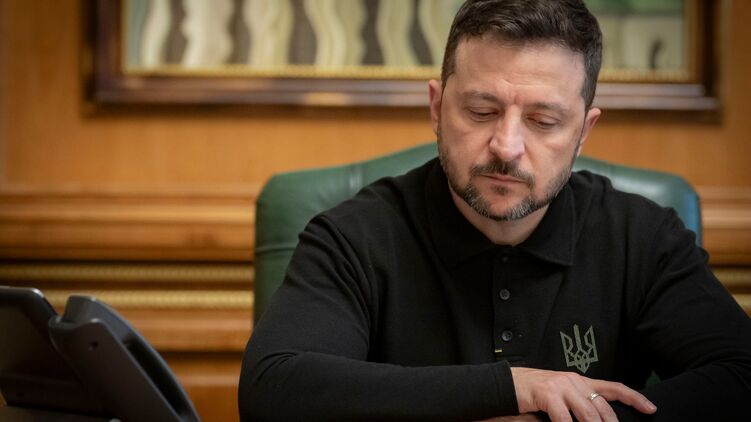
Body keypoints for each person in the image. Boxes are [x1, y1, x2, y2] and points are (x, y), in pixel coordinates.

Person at [238, 1, 751, 420]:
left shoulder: (641, 235)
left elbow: (742, 376)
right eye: (481, 111)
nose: (506, 146)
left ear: (583, 132)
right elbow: (274, 389)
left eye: (543, 121)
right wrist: (513, 386)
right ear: (437, 107)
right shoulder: (353, 236)